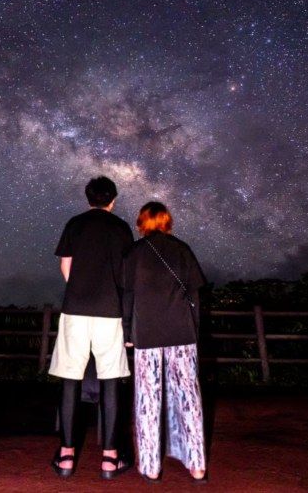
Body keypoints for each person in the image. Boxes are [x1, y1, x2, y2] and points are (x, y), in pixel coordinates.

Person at [48, 176, 134, 479]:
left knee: (70, 378)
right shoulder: (122, 228)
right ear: (113, 199)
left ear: (88, 198)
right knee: (111, 379)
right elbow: (127, 274)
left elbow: (65, 266)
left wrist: (80, 291)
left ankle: (67, 456)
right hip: (110, 312)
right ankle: (110, 459)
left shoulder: (75, 223)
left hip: (75, 309)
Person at [122, 201, 208, 483]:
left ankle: (150, 465)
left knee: (148, 399)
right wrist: (194, 331)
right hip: (182, 333)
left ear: (142, 222)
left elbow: (128, 298)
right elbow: (194, 297)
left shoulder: (134, 253)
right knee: (189, 398)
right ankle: (197, 465)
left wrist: (127, 333)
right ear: (166, 221)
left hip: (147, 334)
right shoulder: (183, 249)